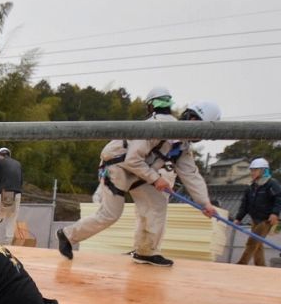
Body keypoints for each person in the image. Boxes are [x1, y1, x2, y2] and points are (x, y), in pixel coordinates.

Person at [56, 96, 220, 267]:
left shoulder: (182, 147)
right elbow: (131, 159)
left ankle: (146, 252)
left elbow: (191, 175)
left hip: (140, 172)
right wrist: (156, 179)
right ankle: (67, 235)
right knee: (110, 214)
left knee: (157, 203)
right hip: (117, 165)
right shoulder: (160, 126)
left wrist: (205, 203)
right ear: (192, 118)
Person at [234, 158, 281, 266]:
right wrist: (238, 218)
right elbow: (245, 204)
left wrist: (275, 213)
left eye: (255, 170)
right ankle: (261, 266)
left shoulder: (271, 184)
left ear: (263, 170)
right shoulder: (251, 186)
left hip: (266, 220)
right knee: (258, 245)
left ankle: (241, 263)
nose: (252, 172)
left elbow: (279, 198)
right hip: (255, 219)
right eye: (251, 170)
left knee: (252, 242)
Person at [0, 146, 23, 244]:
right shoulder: (18, 164)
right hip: (17, 193)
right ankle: (8, 243)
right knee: (11, 218)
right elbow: (21, 181)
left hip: (5, 192)